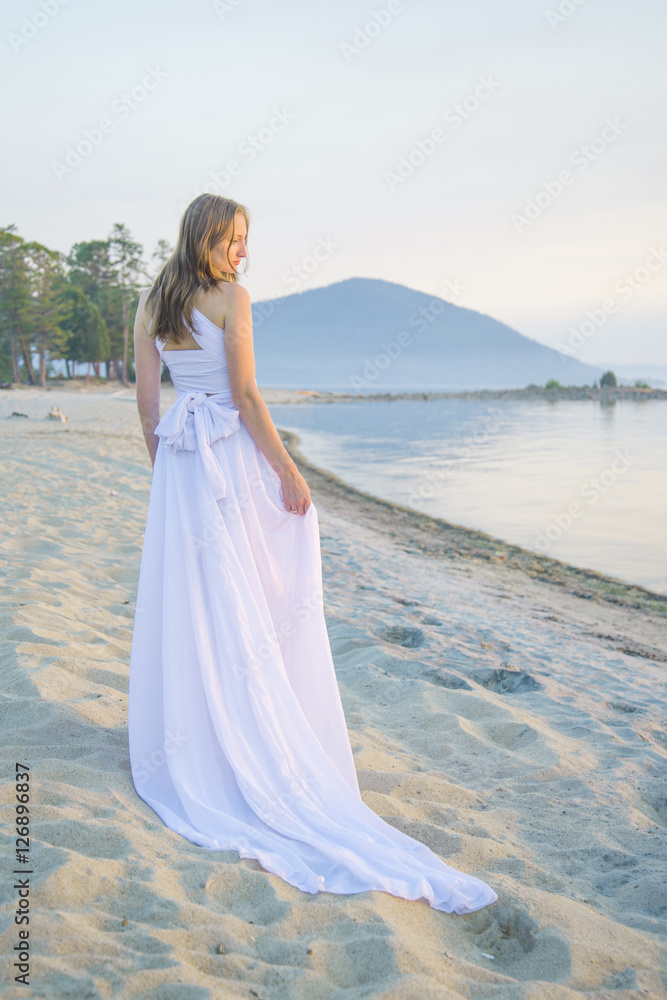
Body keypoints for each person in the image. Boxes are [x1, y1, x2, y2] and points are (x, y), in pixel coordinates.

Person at [128, 193, 498, 914]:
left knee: (198, 599)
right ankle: (249, 727)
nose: (243, 253)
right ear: (209, 238)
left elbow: (147, 403)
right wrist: (290, 472)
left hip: (179, 464)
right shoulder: (231, 298)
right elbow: (246, 397)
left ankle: (197, 728)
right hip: (227, 459)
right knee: (250, 594)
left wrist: (162, 471)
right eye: (236, 239)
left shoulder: (150, 302)